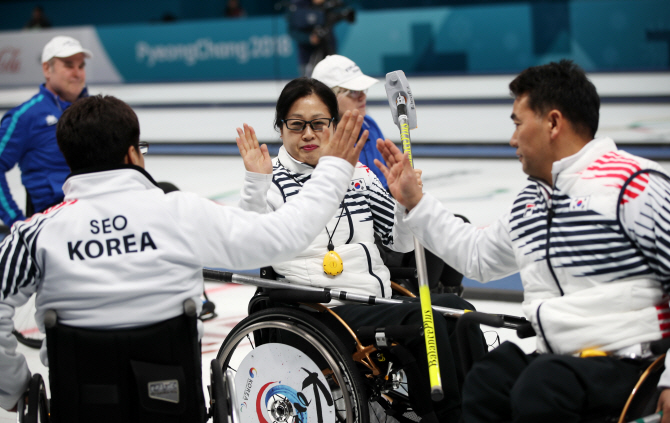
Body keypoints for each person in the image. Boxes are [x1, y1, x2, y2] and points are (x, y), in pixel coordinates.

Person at [0, 94, 365, 412]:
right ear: (131, 153)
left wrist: (14, 389)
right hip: (172, 403)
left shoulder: (34, 235)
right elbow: (284, 235)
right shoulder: (180, 213)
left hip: (79, 405)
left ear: (70, 158)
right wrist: (333, 170)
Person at [375, 59, 670, 422]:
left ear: (553, 123)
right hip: (560, 362)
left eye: (517, 123)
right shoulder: (532, 201)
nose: (512, 138)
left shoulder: (635, 185)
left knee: (542, 385)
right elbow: (477, 256)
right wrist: (415, 203)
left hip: (634, 364)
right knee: (489, 380)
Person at [236, 76, 486, 423]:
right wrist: (255, 184)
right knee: (421, 322)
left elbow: (398, 242)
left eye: (319, 124)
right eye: (296, 125)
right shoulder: (269, 179)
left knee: (460, 313)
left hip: (376, 301)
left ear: (334, 127)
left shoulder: (358, 175)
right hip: (320, 312)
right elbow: (249, 246)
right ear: (281, 129)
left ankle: (480, 408)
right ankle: (447, 416)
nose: (308, 134)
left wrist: (404, 204)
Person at [0, 35, 90, 227]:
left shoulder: (96, 110)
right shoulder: (25, 116)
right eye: (68, 65)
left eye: (81, 66)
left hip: (99, 211)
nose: (77, 73)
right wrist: (16, 221)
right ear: (47, 69)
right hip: (56, 221)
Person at [311, 54, 388, 189]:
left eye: (363, 89)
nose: (363, 96)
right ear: (328, 97)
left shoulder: (369, 125)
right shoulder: (313, 140)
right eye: (353, 91)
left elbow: (386, 183)